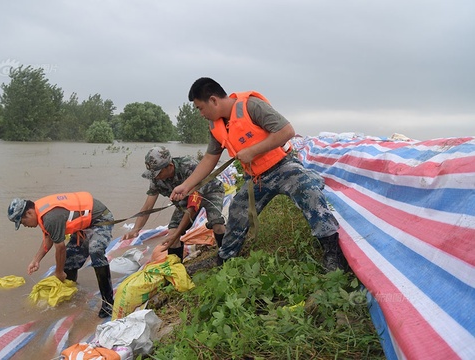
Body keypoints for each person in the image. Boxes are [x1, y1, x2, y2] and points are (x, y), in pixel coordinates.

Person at [170, 77, 347, 272]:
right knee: (237, 211)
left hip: (283, 167)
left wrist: (253, 151)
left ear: (213, 100)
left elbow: (287, 131)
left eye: (200, 108)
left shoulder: (251, 106)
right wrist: (186, 186)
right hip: (255, 178)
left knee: (307, 188)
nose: (201, 114)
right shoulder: (216, 126)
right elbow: (209, 159)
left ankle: (332, 250)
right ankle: (224, 259)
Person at [7, 192, 115, 318]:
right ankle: (70, 292)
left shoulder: (50, 218)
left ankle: (108, 303)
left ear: (29, 213)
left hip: (100, 219)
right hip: (84, 223)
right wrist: (36, 260)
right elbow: (49, 237)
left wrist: (59, 272)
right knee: (70, 259)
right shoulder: (41, 213)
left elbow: (60, 248)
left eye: (22, 221)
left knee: (95, 251)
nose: (24, 225)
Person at [123, 146, 226, 261]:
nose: (155, 177)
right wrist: (136, 229)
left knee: (216, 223)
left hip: (210, 192)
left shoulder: (188, 166)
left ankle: (226, 257)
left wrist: (177, 234)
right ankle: (176, 268)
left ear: (169, 166)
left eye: (158, 173)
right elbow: (148, 206)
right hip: (186, 200)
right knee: (171, 233)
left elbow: (192, 207)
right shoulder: (156, 179)